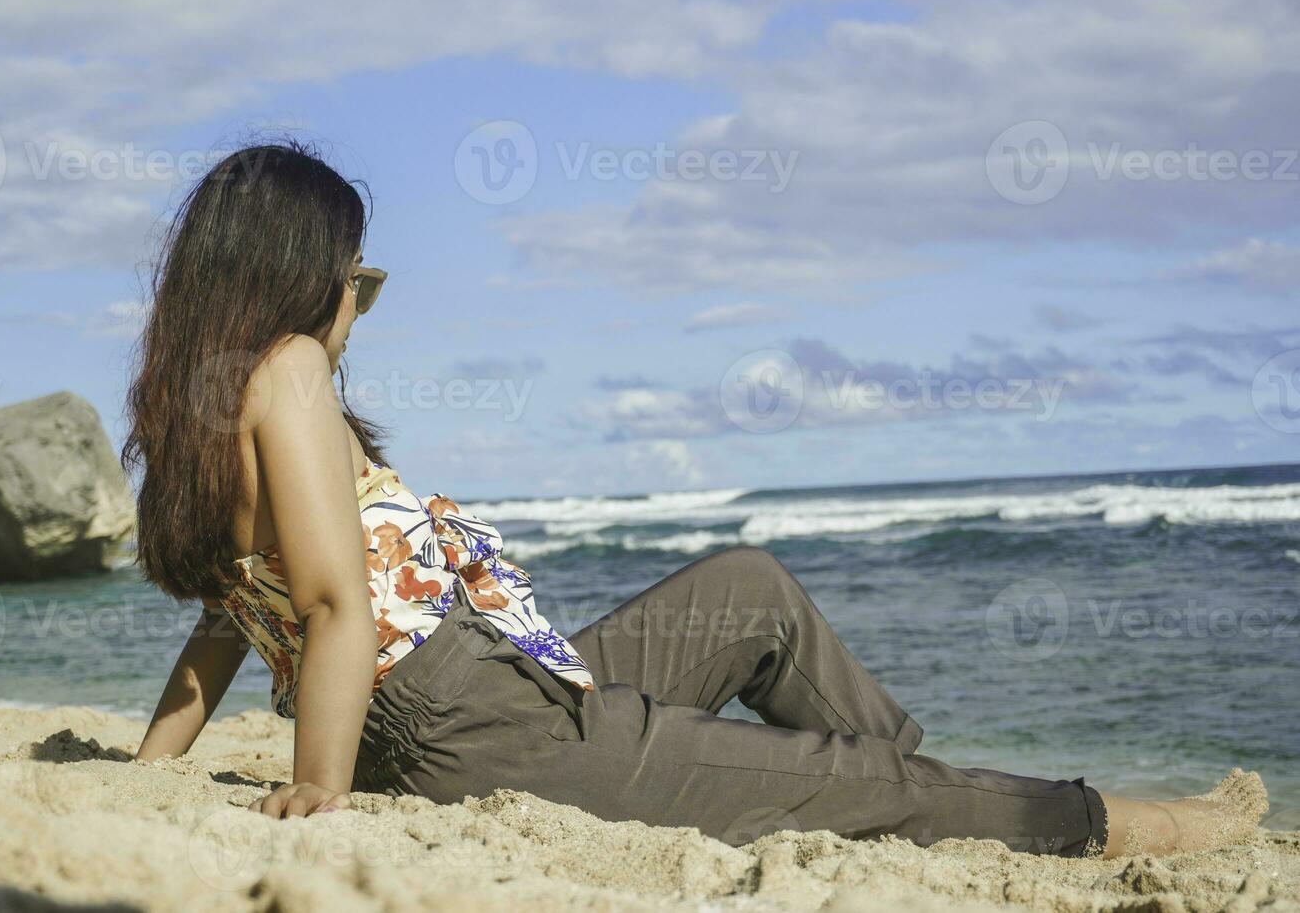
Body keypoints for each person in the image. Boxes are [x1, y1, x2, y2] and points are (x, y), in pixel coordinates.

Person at [125, 140, 1265, 859]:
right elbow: (329, 605)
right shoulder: (292, 368)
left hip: (490, 684)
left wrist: (149, 767)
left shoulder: (205, 409)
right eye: (354, 281)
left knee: (747, 590)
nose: (356, 305)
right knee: (845, 779)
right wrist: (318, 791)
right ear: (295, 273)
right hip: (464, 722)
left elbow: (228, 615)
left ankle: (921, 797)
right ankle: (1106, 822)